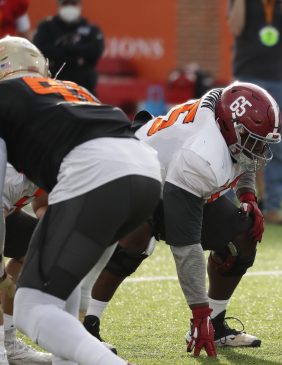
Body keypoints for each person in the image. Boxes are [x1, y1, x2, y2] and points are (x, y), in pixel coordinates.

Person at [80, 82, 281, 357]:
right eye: (252, 139)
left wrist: (247, 195)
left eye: (262, 142)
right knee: (135, 240)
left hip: (174, 175)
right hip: (133, 174)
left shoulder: (226, 119)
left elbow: (247, 156)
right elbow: (186, 247)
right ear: (229, 127)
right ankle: (86, 324)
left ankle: (217, 323)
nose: (258, 150)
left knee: (242, 235)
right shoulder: (202, 155)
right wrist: (199, 311)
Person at [0, 36, 162, 365]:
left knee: (32, 308)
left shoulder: (6, 98)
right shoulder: (71, 90)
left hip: (95, 172)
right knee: (57, 280)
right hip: (145, 171)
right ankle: (69, 359)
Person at [228, 0, 282, 225]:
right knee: (238, 142)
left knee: (276, 145)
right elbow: (235, 28)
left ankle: (273, 207)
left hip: (277, 79)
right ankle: (235, 204)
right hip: (246, 76)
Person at [0, 165, 52, 365]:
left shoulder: (52, 164)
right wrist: (3, 278)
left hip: (6, 212)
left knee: (40, 247)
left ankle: (9, 344)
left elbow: (42, 204)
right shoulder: (10, 177)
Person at [33, 0, 104, 94]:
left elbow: (95, 50)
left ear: (79, 5)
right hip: (53, 87)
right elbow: (41, 48)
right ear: (59, 5)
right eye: (65, 3)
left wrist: (64, 49)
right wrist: (76, 59)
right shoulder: (46, 27)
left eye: (73, 3)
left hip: (84, 88)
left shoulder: (91, 29)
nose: (69, 7)